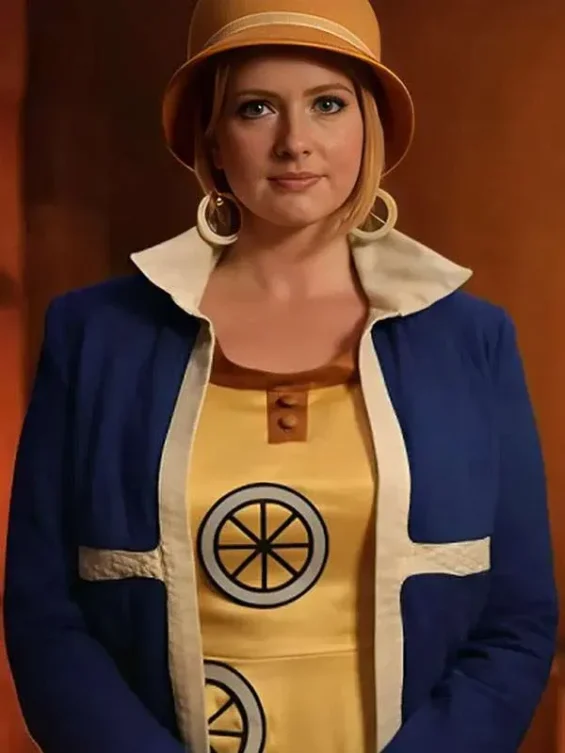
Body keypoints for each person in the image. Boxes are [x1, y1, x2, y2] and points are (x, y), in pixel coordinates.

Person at [3, 0, 558, 751]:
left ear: (370, 126)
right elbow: (45, 613)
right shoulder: (96, 338)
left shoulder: (470, 340)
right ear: (211, 137)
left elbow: (515, 619)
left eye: (327, 104)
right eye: (256, 108)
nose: (295, 143)